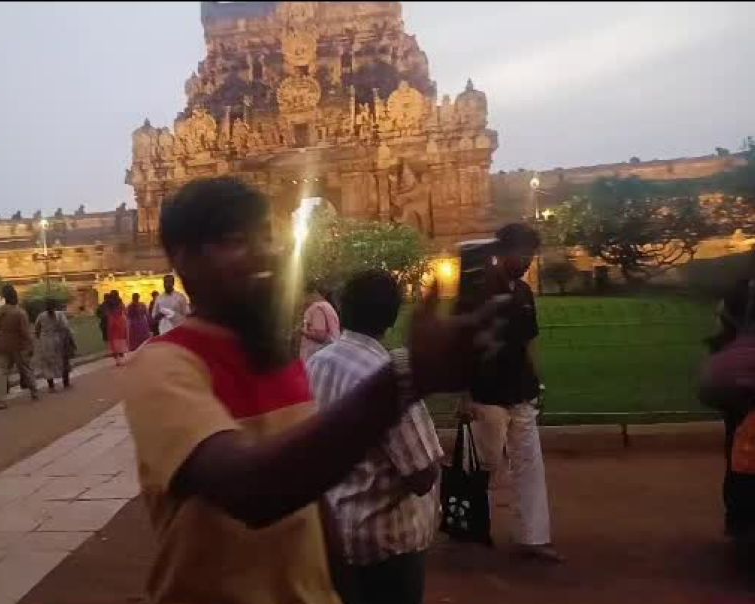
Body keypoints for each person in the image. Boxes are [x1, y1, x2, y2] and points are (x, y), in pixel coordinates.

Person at [122, 177, 506, 604]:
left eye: (268, 236)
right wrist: (406, 377)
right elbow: (251, 491)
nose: (265, 252)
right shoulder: (162, 366)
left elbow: (314, 503)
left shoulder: (279, 360)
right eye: (236, 240)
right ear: (184, 258)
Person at [307, 269, 443, 604]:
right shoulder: (387, 374)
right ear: (393, 316)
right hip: (386, 545)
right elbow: (421, 473)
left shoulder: (317, 364)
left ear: (341, 307)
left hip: (333, 536)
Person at [460, 222, 562, 563]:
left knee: (529, 463)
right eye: (523, 253)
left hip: (522, 390)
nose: (528, 260)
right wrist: (464, 395)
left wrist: (539, 381)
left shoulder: (523, 293)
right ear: (502, 253)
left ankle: (533, 537)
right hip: (487, 393)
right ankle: (473, 529)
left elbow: (531, 340)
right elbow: (465, 345)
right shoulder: (478, 292)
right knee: (486, 466)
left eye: (531, 254)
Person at [700, 278, 755, 548]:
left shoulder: (743, 288)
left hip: (737, 384)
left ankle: (741, 519)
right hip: (743, 382)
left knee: (738, 439)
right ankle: (742, 518)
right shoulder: (746, 289)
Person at [0, 284, 38, 408]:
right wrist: (31, 344)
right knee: (26, 369)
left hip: (2, 343)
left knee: (1, 373)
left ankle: (0, 401)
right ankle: (34, 391)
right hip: (18, 345)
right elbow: (25, 331)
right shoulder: (20, 312)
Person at [34, 298, 75, 391]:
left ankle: (51, 386)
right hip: (58, 340)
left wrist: (39, 338)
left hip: (45, 341)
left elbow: (37, 329)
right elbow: (66, 327)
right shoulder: (60, 315)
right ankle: (66, 383)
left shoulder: (41, 316)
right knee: (64, 361)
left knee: (48, 364)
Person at [300, 281, 341, 361]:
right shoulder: (328, 306)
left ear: (311, 294)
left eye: (303, 296)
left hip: (315, 358)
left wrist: (303, 331)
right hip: (329, 354)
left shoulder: (316, 308)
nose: (303, 300)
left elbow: (320, 335)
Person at [107, 292, 130, 366]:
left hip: (114, 321)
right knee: (121, 338)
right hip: (120, 321)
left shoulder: (110, 303)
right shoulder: (119, 302)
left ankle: (118, 359)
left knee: (114, 340)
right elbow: (124, 310)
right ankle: (121, 358)